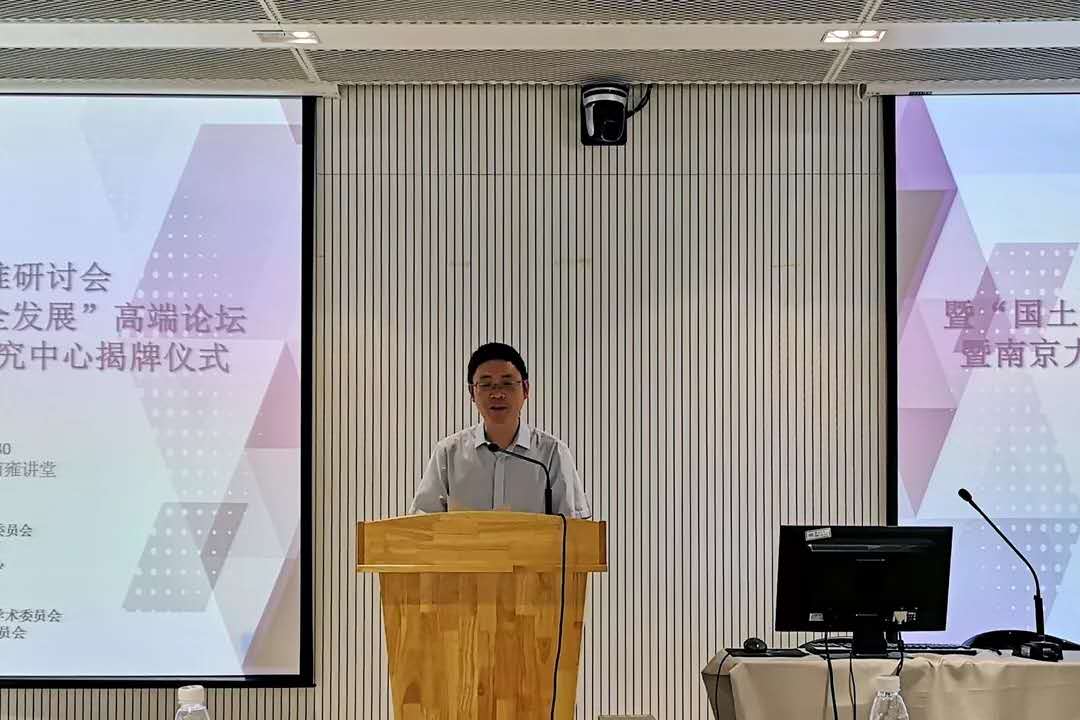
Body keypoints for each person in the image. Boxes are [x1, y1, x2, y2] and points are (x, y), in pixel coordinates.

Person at [409, 342, 591, 518]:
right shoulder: (448, 454)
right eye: (486, 384)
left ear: (525, 389)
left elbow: (573, 528)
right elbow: (421, 523)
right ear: (472, 393)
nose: (497, 394)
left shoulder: (552, 454)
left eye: (507, 383)